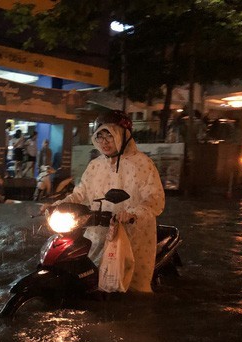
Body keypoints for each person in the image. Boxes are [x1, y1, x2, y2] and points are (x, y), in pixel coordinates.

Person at [46, 110, 165, 293]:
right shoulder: (95, 165)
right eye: (99, 136)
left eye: (110, 135)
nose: (104, 142)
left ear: (124, 135)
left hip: (133, 235)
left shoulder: (143, 164)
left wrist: (133, 213)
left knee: (133, 290)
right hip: (98, 233)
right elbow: (81, 193)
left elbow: (154, 200)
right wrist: (57, 206)